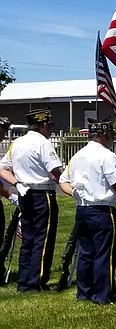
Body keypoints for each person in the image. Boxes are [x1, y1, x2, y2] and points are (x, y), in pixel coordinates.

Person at [58, 120, 116, 304]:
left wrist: (77, 195)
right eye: (112, 135)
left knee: (86, 253)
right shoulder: (106, 155)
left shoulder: (78, 155)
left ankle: (84, 292)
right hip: (102, 210)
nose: (113, 139)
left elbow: (63, 182)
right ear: (104, 135)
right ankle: (103, 294)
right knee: (104, 253)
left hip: (83, 210)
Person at [0, 108, 64, 292]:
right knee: (42, 239)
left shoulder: (17, 143)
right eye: (50, 125)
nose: (51, 129)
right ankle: (37, 281)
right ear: (43, 125)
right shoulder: (43, 143)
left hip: (24, 192)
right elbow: (55, 171)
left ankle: (24, 281)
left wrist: (16, 182)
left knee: (27, 239)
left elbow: (3, 168)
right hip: (42, 194)